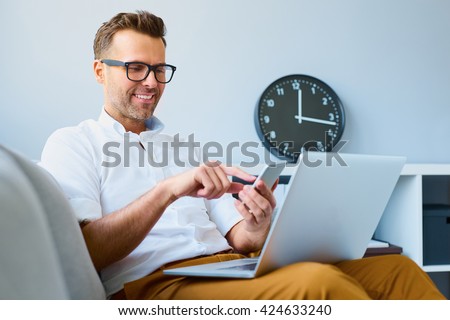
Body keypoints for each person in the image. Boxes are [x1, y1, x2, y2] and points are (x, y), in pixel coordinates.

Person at [39, 10, 445, 300]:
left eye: (160, 69)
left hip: (226, 267)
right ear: (99, 71)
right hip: (157, 287)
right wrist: (168, 190)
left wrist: (259, 221)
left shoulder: (189, 147)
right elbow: (88, 250)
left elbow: (243, 240)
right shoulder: (73, 143)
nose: (152, 82)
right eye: (136, 68)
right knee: (319, 285)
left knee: (396, 270)